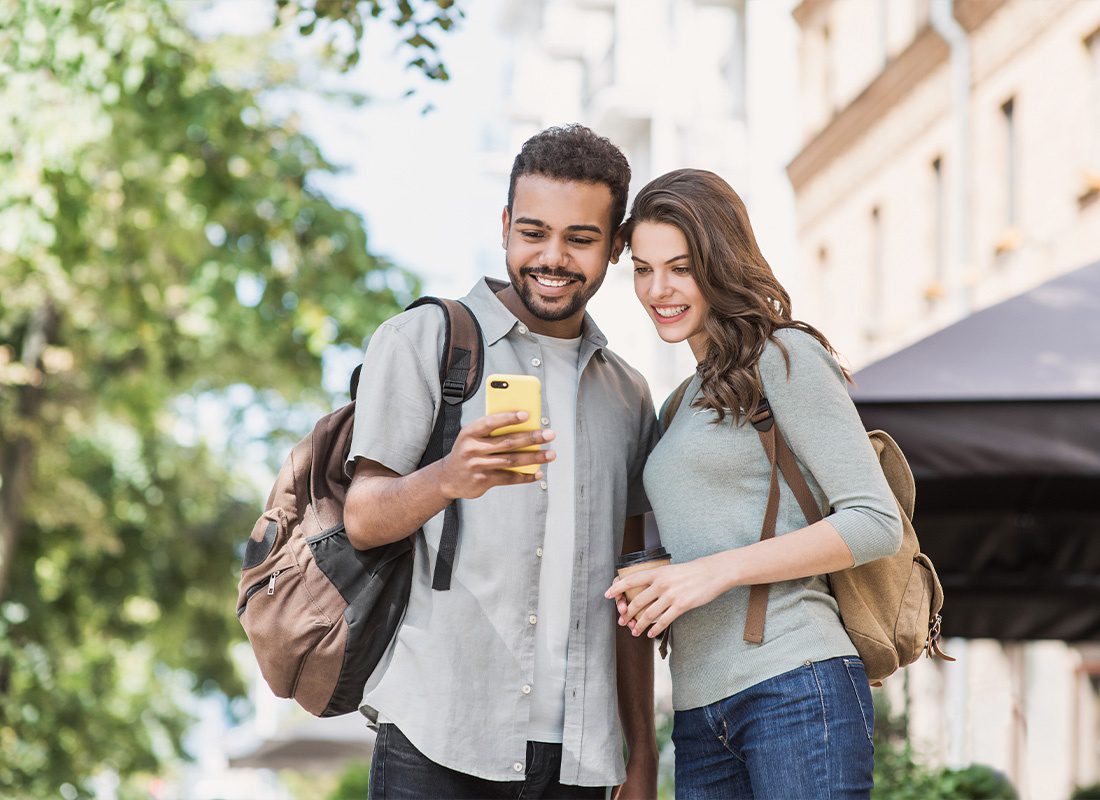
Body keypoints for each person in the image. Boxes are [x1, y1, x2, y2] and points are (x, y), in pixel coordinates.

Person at [344, 125, 660, 799]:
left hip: (579, 758)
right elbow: (364, 519)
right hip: (438, 737)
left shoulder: (627, 394)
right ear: (506, 226)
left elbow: (630, 590)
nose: (553, 257)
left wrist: (642, 757)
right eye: (534, 232)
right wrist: (448, 477)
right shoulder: (424, 339)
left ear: (615, 246)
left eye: (580, 238)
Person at [606, 169, 903, 800]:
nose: (658, 289)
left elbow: (875, 521)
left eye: (680, 268)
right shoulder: (679, 402)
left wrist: (711, 572)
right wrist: (658, 577)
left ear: (719, 262)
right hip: (697, 707)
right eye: (642, 268)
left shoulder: (784, 355)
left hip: (794, 686)